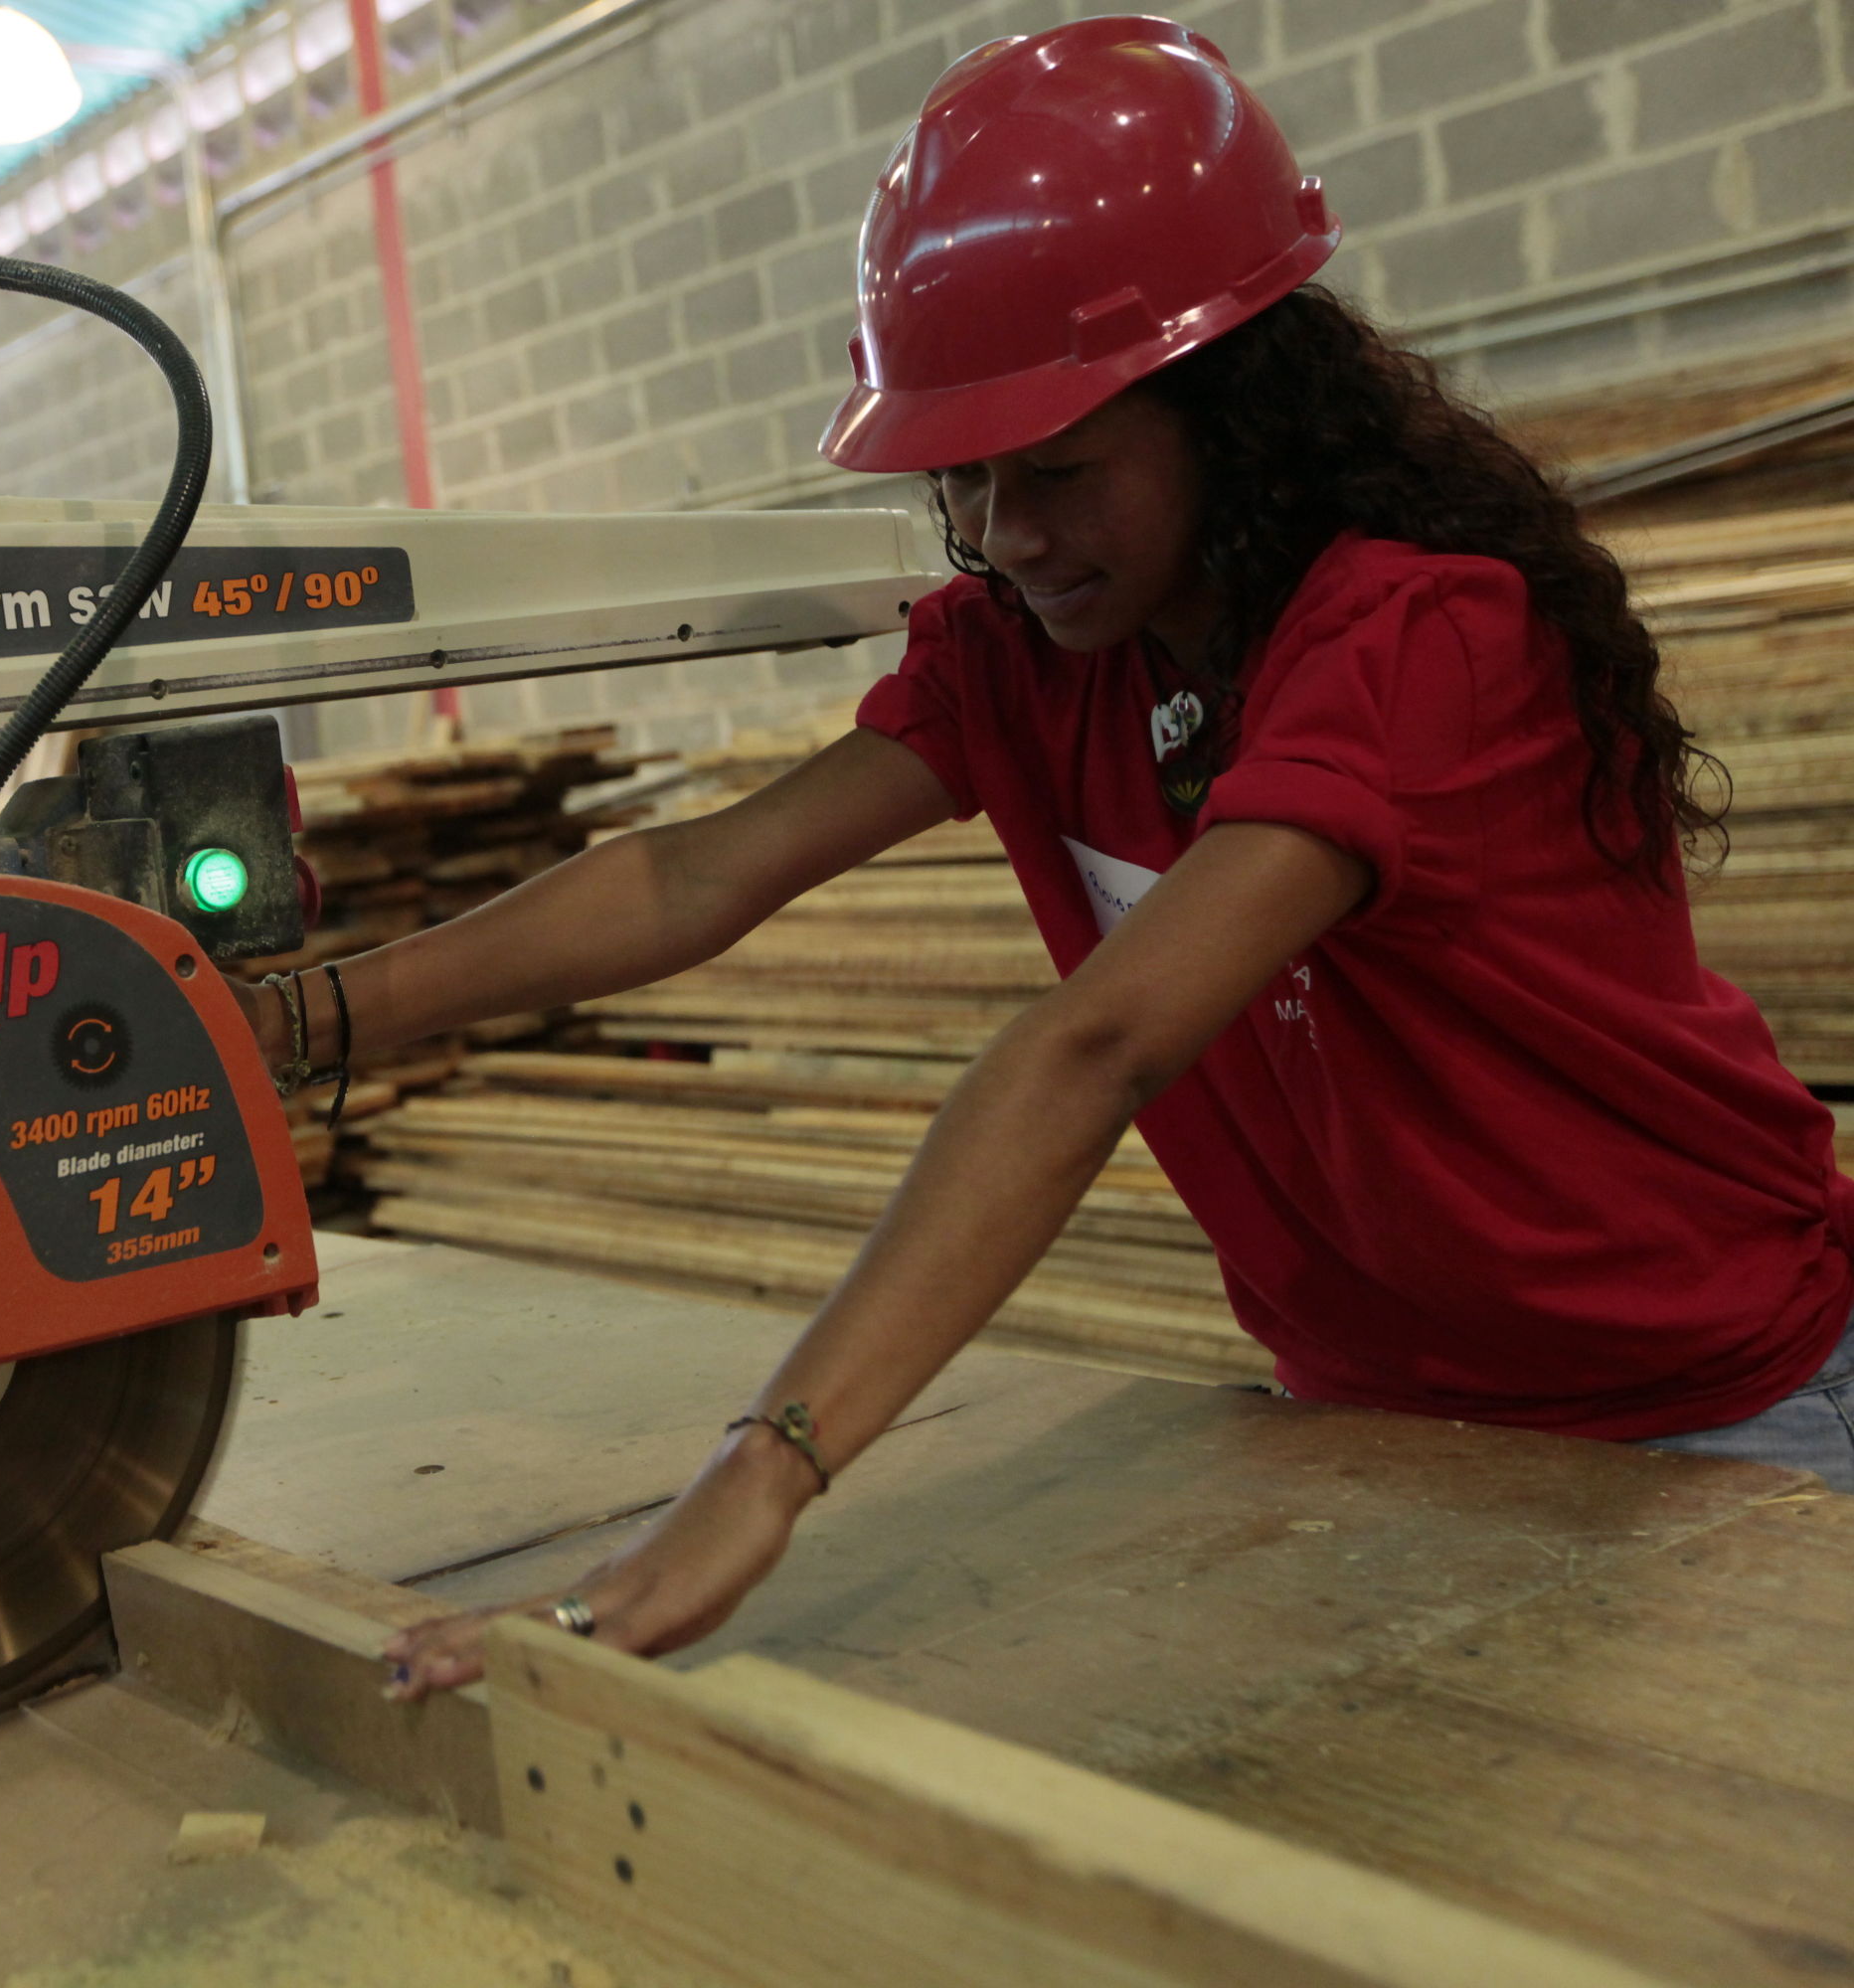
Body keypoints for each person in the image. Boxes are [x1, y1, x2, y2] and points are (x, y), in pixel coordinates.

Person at [252, 17, 1854, 1701]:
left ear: (1227, 416)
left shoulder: (1415, 636)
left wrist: (763, 1472)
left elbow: (1103, 1041)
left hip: (1708, 1404)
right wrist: (285, 1025)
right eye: (970, 482)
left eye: (1064, 472)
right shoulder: (1026, 655)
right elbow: (693, 877)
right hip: (1381, 1414)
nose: (1013, 536)